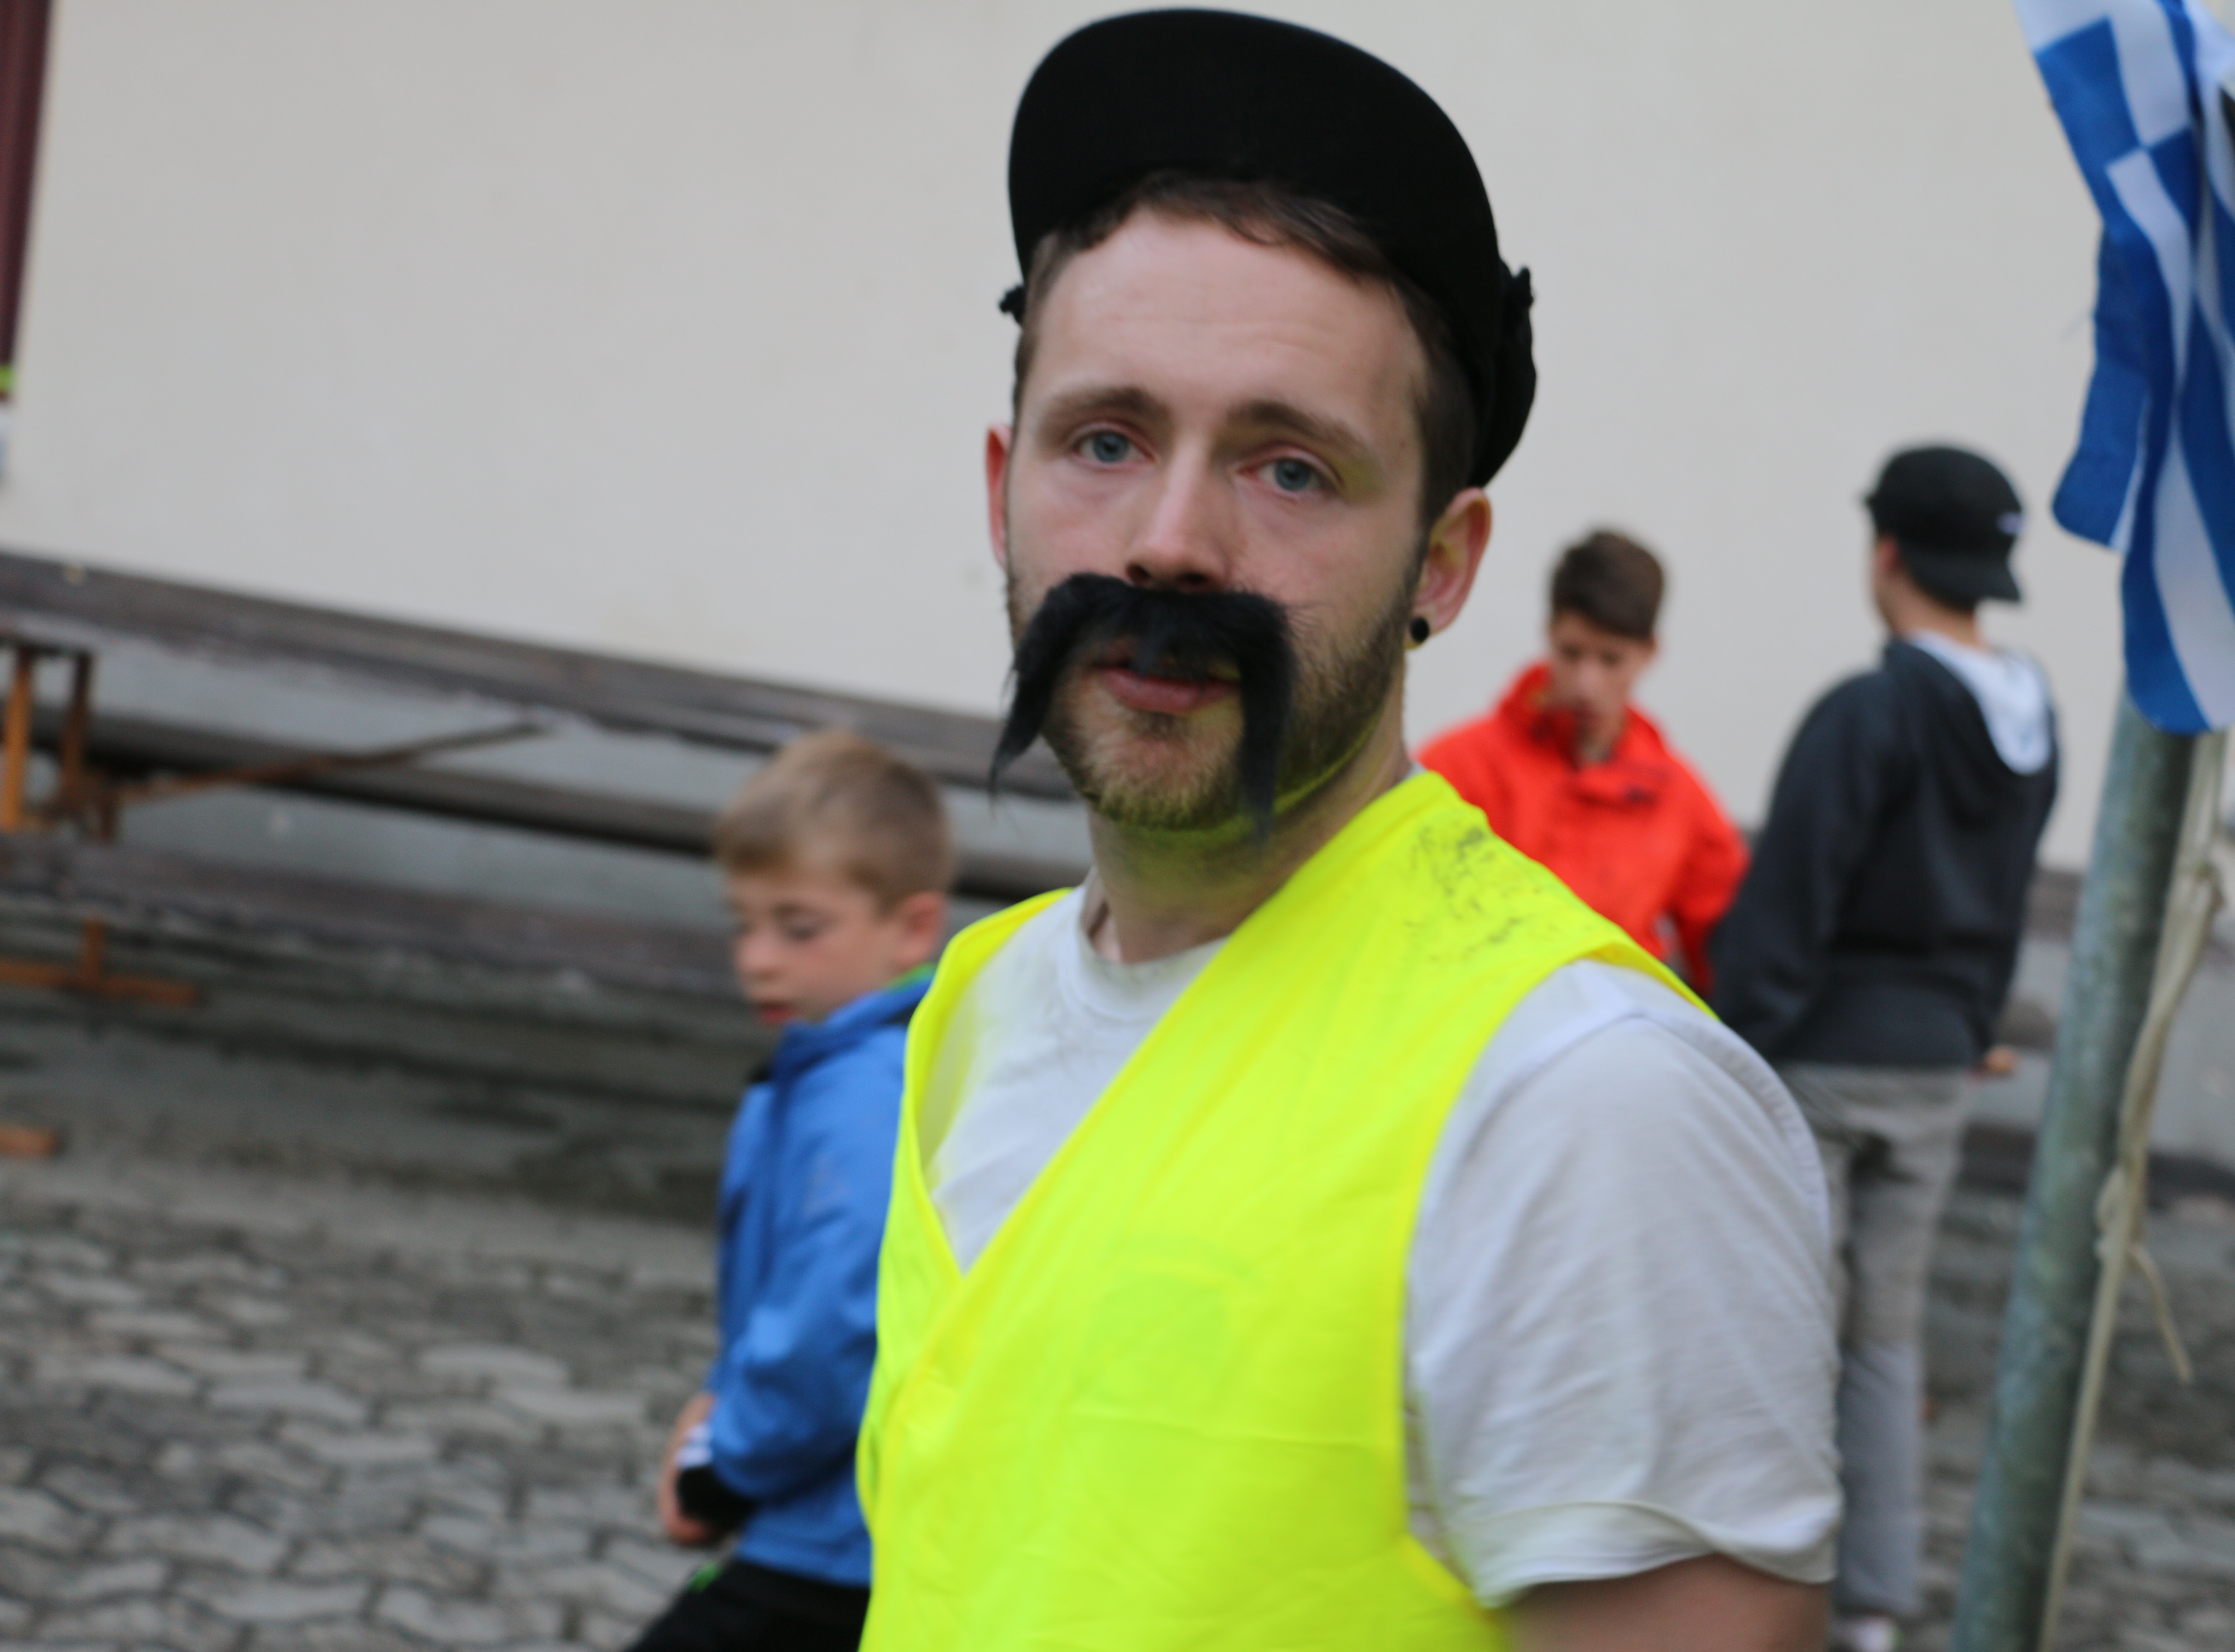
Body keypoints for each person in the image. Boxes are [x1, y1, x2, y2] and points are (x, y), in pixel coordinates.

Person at [855, 13, 1839, 1651]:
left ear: (1444, 562)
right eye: (1105, 440)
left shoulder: (1585, 1104)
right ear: (1000, 485)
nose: (1170, 541)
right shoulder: (978, 1002)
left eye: (1291, 469)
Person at [1710, 445, 2060, 1652]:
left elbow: (1790, 902)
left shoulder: (1870, 712)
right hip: (1934, 1075)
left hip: (1825, 1065)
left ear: (1889, 553)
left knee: (1777, 1324)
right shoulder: (2034, 720)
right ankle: (1870, 1610)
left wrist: (1736, 1052)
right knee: (1883, 1336)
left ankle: (1749, 1586)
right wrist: (1967, 1031)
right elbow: (2006, 904)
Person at [629, 730, 951, 1652]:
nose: (758, 959)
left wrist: (724, 1468)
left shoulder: (863, 1095)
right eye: (744, 924)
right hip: (825, 1525)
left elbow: (836, 1324)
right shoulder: (834, 1063)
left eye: (798, 928)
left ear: (912, 927)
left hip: (831, 1539)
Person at [1421, 530, 1746, 990]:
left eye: (1611, 660)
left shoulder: (1680, 800)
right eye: (1571, 653)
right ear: (1549, 632)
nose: (1586, 684)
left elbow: (1736, 962)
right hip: (1480, 1016)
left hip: (1621, 1023)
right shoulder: (1454, 770)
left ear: (1649, 654)